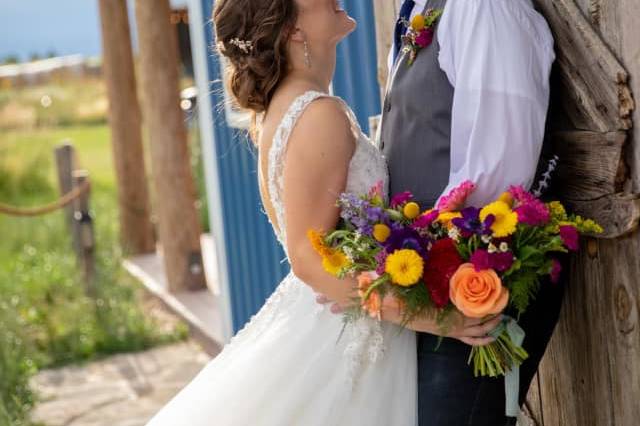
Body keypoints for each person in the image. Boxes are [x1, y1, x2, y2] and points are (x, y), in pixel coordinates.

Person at [146, 1, 501, 425]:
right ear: (293, 27)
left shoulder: (291, 108)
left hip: (341, 318)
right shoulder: (317, 115)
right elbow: (307, 258)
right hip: (346, 339)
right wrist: (434, 319)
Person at [321, 0, 564, 424]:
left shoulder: (483, 8)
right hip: (435, 291)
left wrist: (423, 274)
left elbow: (496, 171)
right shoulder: (425, 7)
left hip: (474, 283)